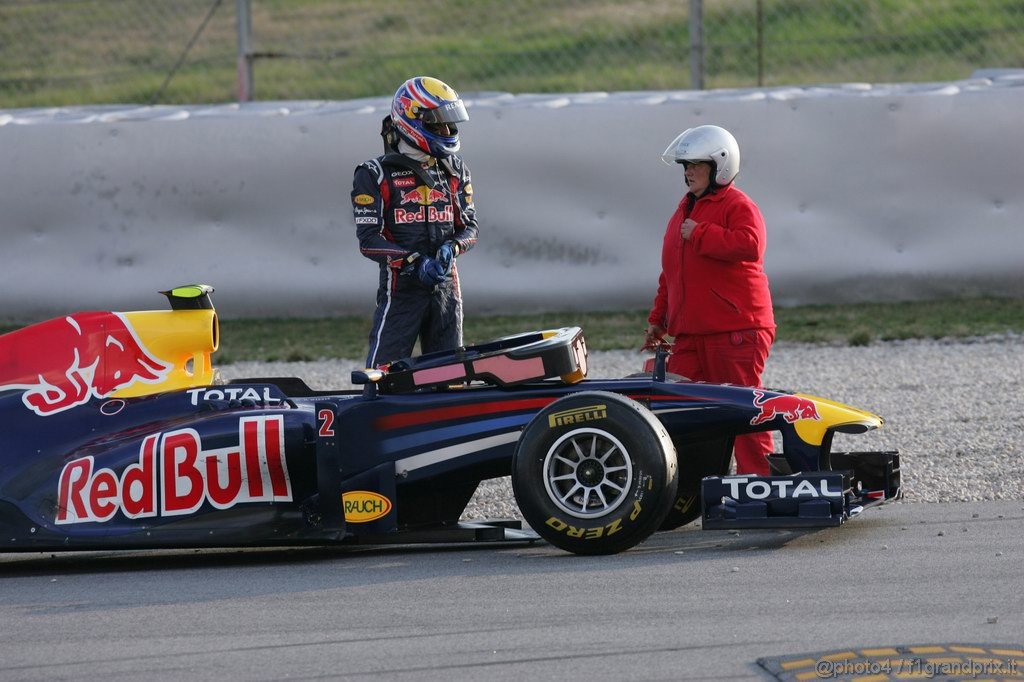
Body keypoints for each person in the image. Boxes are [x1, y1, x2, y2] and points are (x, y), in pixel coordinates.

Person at [644, 125, 775, 476]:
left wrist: (701, 233)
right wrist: (659, 319)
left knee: (743, 411)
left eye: (697, 165)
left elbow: (751, 245)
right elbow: (671, 270)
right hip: (693, 333)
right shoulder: (684, 210)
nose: (688, 172)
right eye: (685, 165)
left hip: (736, 329)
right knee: (674, 404)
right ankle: (687, 486)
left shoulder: (737, 204)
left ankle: (759, 487)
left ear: (720, 166)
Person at [352, 76, 479, 368]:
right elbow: (369, 241)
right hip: (401, 292)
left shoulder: (455, 169)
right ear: (412, 119)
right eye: (438, 124)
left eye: (449, 124)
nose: (447, 131)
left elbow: (470, 228)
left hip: (447, 291)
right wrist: (414, 262)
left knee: (450, 378)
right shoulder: (373, 174)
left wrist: (454, 247)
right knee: (384, 377)